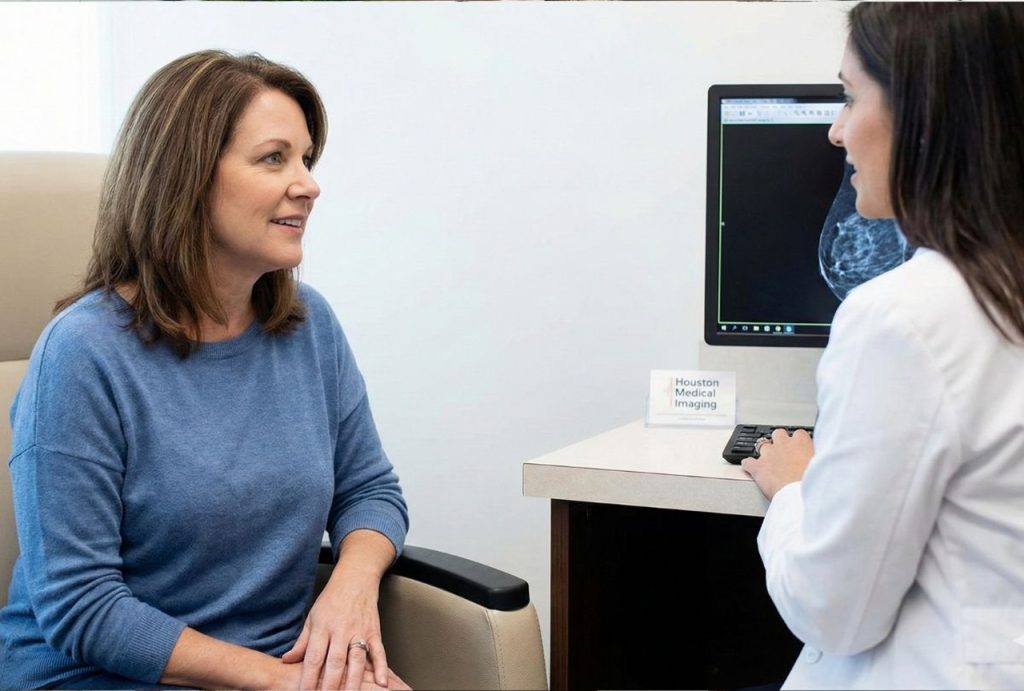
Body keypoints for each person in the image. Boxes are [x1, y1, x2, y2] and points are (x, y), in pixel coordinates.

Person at [0, 50, 411, 690]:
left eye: (306, 159)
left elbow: (370, 491)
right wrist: (285, 684)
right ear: (186, 176)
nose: (307, 183)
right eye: (274, 158)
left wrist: (350, 589)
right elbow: (79, 607)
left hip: (271, 668)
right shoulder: (80, 355)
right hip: (97, 675)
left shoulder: (310, 325)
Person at [742, 3, 1024, 689]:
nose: (836, 132)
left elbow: (832, 611)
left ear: (925, 115)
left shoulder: (901, 319)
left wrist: (794, 491)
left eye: (848, 96)